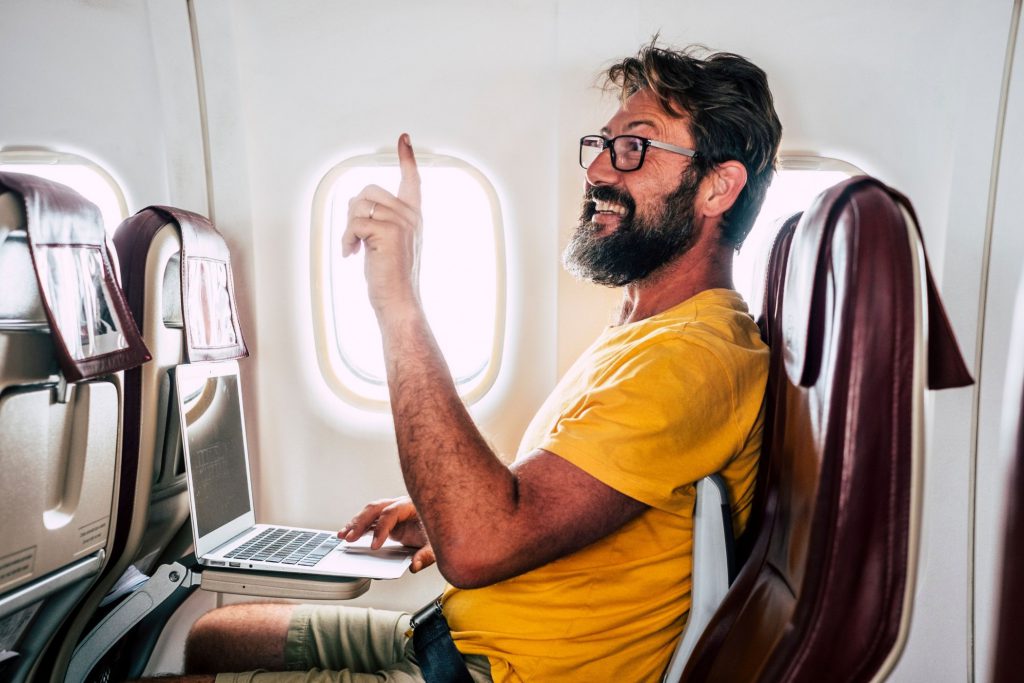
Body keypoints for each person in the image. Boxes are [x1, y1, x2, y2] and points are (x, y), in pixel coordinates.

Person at [165, 40, 782, 682]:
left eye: (634, 147)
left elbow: (482, 545)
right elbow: (547, 507)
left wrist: (397, 298)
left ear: (718, 188)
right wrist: (439, 514)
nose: (598, 169)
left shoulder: (690, 360)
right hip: (455, 633)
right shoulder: (646, 329)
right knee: (216, 636)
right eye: (600, 145)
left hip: (498, 673)